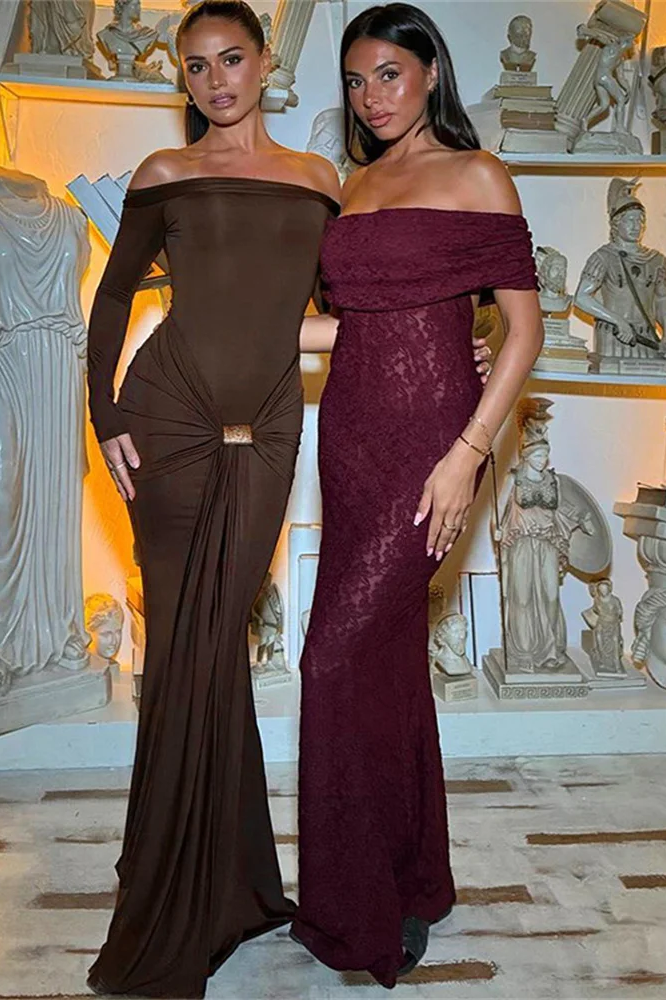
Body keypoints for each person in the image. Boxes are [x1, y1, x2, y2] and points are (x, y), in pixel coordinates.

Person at [85, 3, 341, 996]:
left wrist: (451, 346)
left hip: (268, 430)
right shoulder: (164, 174)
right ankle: (175, 893)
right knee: (183, 653)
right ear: (183, 80)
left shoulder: (318, 181)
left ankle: (226, 883)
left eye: (232, 59)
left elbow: (338, 314)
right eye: (196, 67)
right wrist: (105, 413)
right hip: (168, 419)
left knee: (216, 641)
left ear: (265, 63)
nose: (216, 80)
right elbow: (115, 295)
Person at [291, 3, 543, 988]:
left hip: (436, 445)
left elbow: (522, 330)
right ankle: (411, 880)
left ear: (431, 71)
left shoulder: (479, 175)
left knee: (331, 658)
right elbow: (350, 326)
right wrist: (221, 321)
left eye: (388, 74)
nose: (372, 96)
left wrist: (468, 451)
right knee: (386, 665)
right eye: (356, 81)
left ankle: (359, 912)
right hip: (350, 437)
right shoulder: (352, 187)